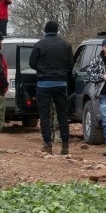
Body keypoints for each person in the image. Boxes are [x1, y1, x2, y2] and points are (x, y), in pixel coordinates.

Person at [29, 20, 73, 155]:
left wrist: (42, 69)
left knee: (45, 116)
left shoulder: (39, 45)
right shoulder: (66, 45)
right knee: (62, 115)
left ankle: (48, 144)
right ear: (57, 30)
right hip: (61, 83)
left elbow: (32, 63)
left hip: (44, 84)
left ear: (45, 30)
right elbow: (71, 65)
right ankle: (65, 145)